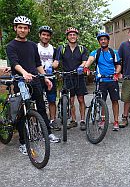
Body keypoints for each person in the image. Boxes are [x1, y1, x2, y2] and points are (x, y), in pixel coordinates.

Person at [6, 16, 60, 155]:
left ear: (28, 30)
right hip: (21, 81)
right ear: (15, 28)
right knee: (22, 111)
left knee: (41, 107)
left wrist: (45, 78)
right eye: (20, 27)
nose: (22, 30)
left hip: (35, 80)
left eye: (25, 27)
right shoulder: (11, 46)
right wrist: (24, 73)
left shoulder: (32, 45)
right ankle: (23, 143)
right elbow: (14, 63)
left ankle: (47, 133)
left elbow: (37, 64)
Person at [84, 32, 121, 131]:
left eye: (105, 39)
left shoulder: (114, 53)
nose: (103, 41)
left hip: (112, 80)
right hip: (101, 81)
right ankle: (103, 119)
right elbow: (90, 60)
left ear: (108, 41)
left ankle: (116, 121)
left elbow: (118, 65)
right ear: (99, 42)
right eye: (101, 40)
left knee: (115, 101)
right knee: (102, 101)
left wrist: (116, 73)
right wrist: (86, 68)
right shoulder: (96, 52)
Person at [53, 27, 88, 131]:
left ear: (77, 36)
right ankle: (73, 120)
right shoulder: (62, 48)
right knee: (71, 100)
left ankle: (82, 120)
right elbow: (57, 61)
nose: (72, 36)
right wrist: (51, 67)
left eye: (74, 35)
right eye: (70, 35)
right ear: (67, 37)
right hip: (67, 77)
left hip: (79, 77)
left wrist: (81, 67)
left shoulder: (82, 49)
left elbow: (84, 61)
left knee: (81, 99)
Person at [37, 25, 60, 131]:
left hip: (50, 77)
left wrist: (51, 67)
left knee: (51, 100)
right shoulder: (35, 47)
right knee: (38, 100)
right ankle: (38, 121)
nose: (45, 37)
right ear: (40, 35)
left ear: (50, 37)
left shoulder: (53, 49)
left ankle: (52, 120)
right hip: (38, 77)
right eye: (43, 35)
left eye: (47, 35)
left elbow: (56, 62)